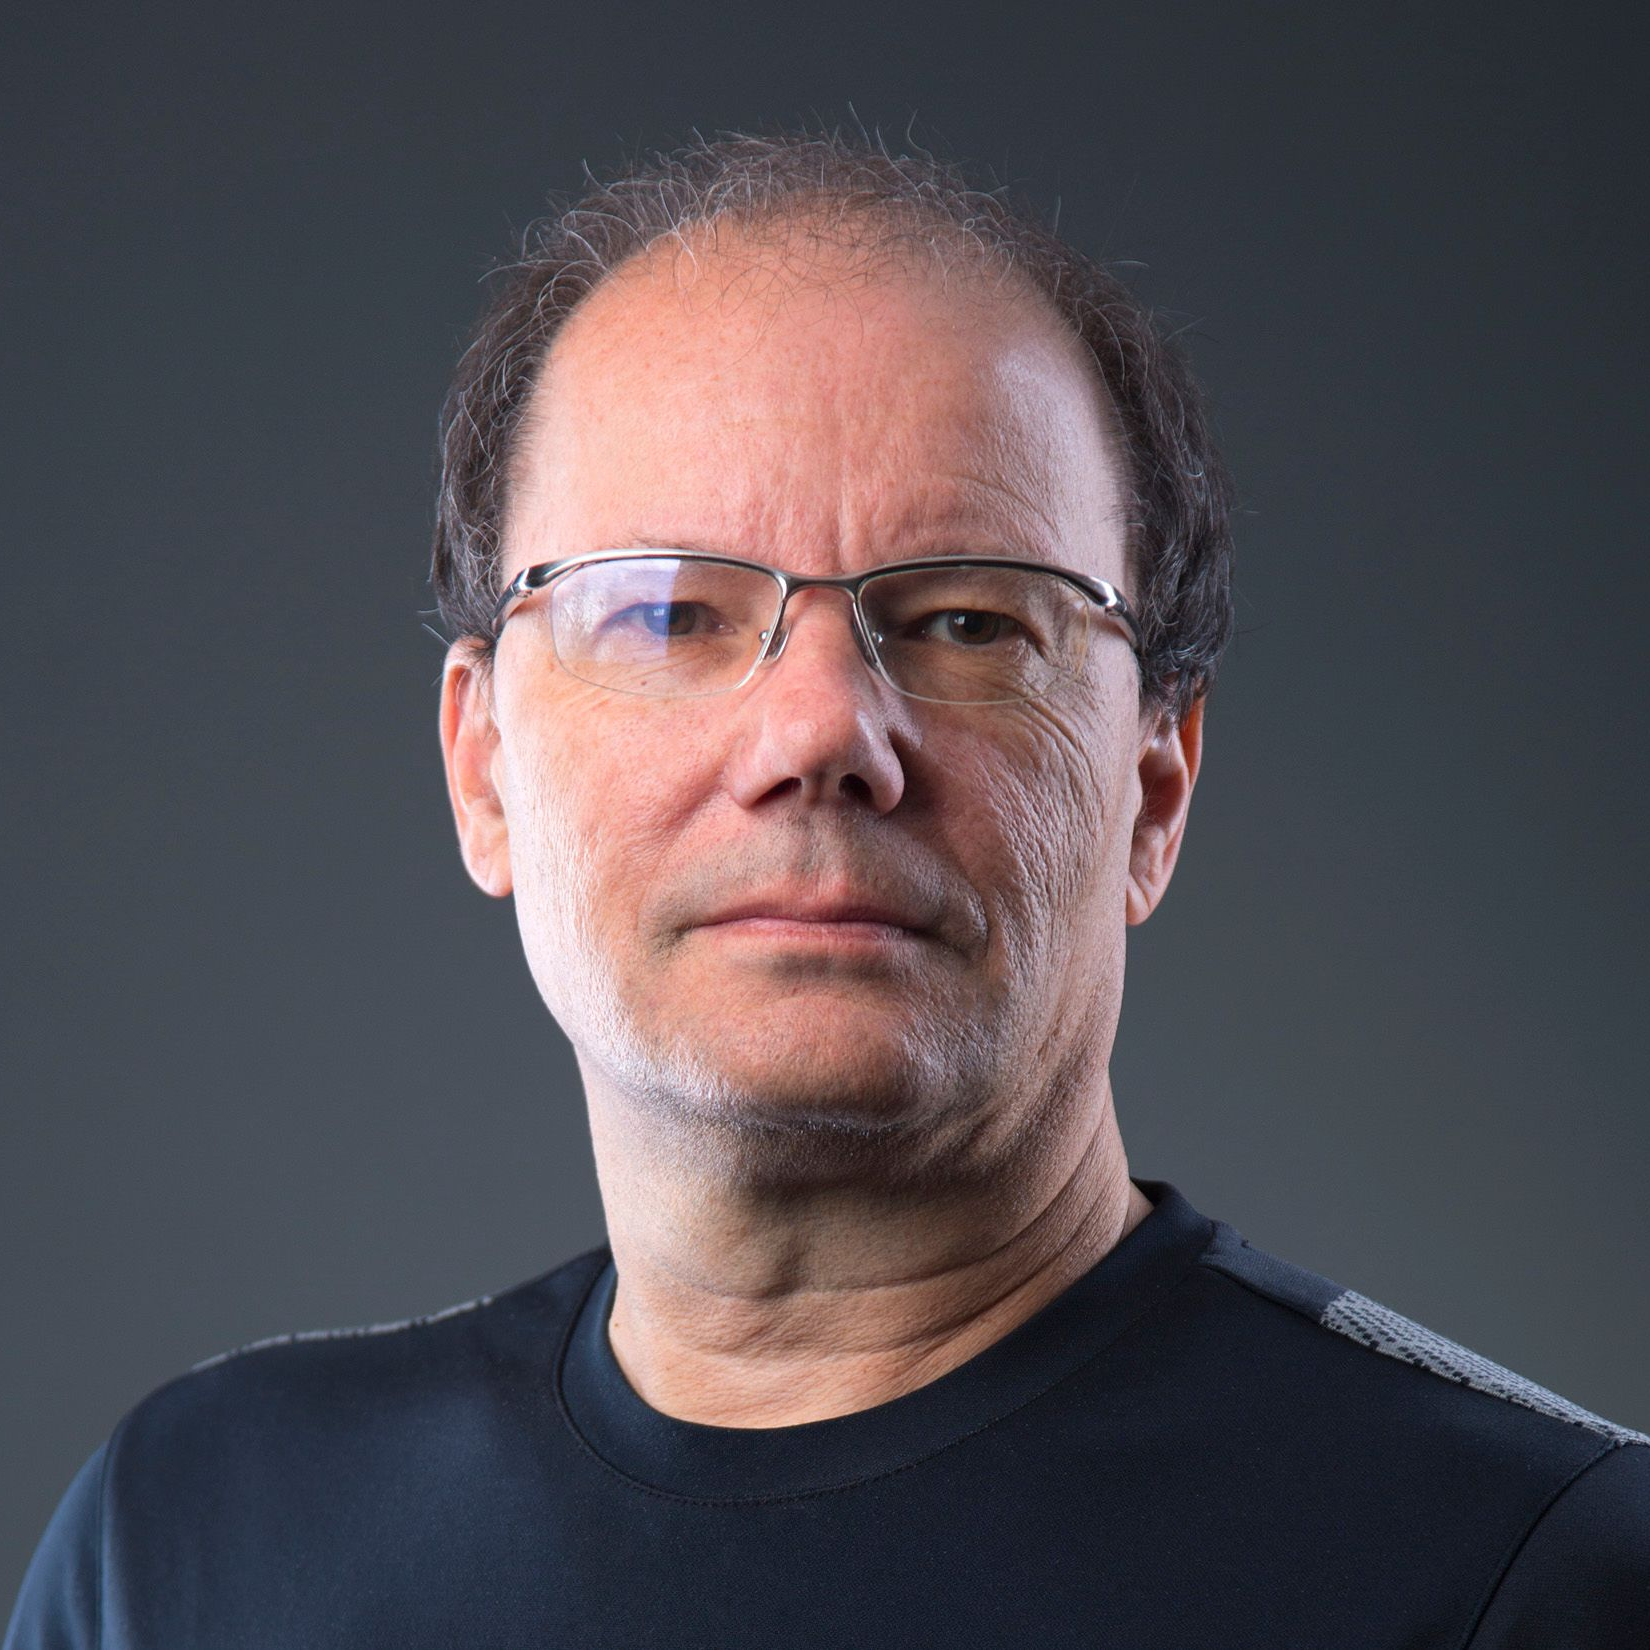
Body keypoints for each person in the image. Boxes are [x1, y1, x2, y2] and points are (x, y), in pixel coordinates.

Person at [8, 125, 1647, 1650]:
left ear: (1153, 789)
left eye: (966, 621)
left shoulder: (1537, 1573)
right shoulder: (193, 1548)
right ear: (481, 765)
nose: (816, 732)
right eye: (666, 613)